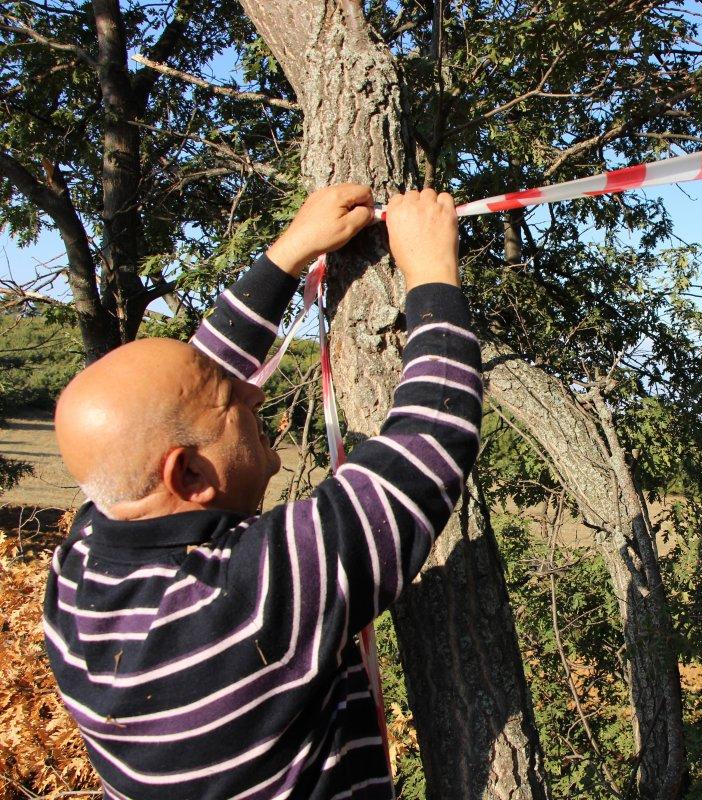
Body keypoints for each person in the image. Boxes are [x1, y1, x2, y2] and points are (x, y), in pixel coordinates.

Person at [43, 185, 480, 799]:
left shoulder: (81, 565)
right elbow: (428, 446)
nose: (254, 392)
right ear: (189, 477)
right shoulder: (252, 594)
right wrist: (433, 275)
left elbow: (176, 395)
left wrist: (289, 253)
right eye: (234, 403)